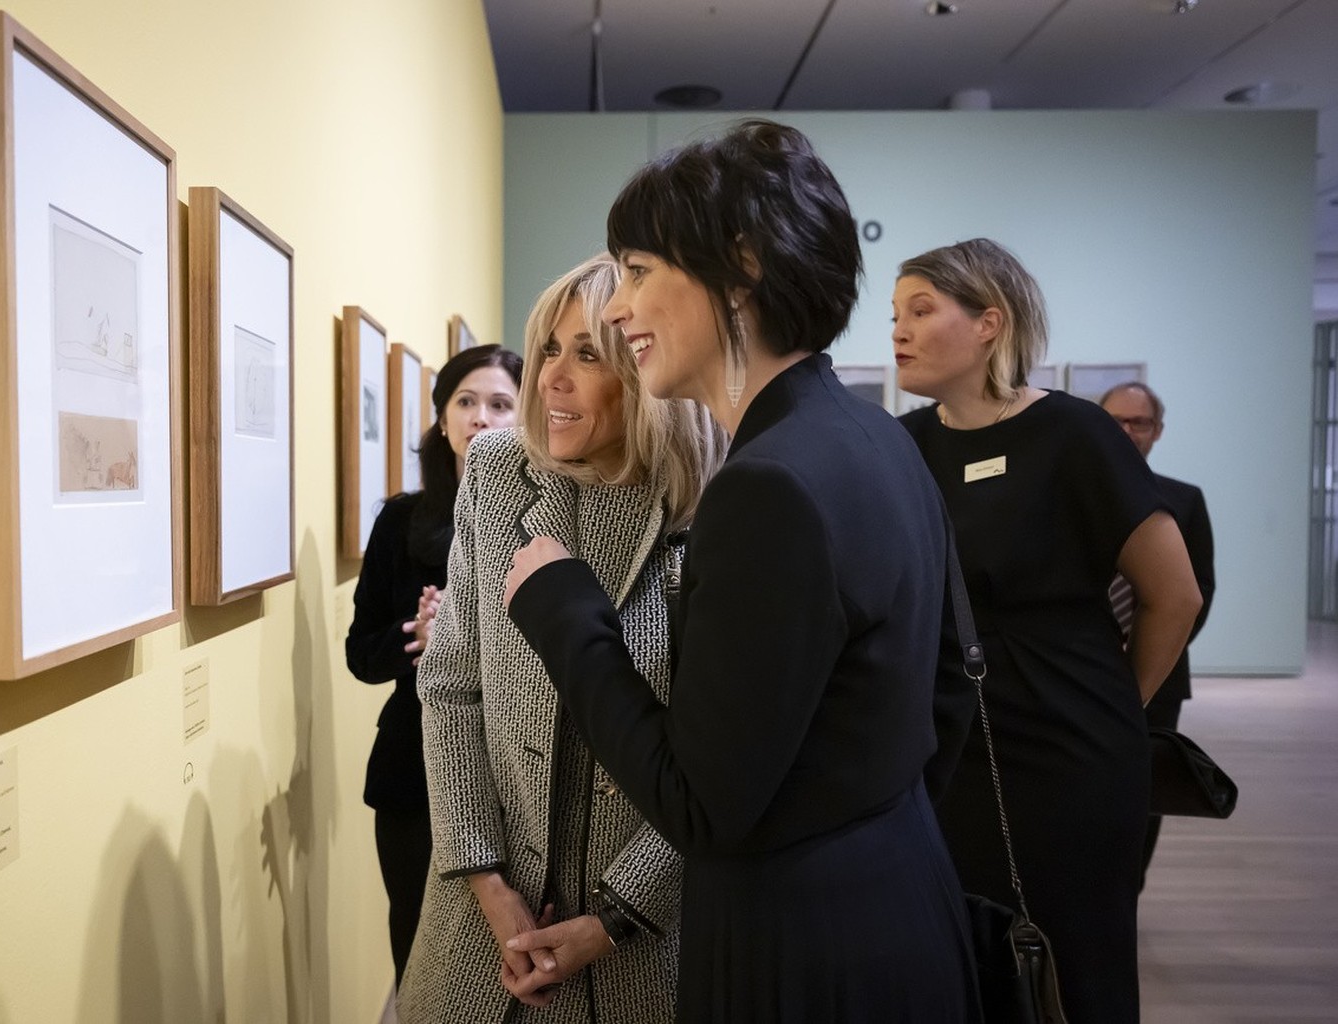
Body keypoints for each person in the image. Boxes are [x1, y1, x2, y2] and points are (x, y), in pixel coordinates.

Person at [502, 120, 980, 1022]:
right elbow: (948, 690)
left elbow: (702, 805)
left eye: (639, 271)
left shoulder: (769, 488)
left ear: (742, 267)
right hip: (900, 892)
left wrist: (567, 611)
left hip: (800, 944)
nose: (614, 308)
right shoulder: (876, 437)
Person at [397, 254, 723, 1023]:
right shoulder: (498, 470)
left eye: (588, 354)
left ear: (643, 372)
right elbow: (451, 688)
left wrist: (615, 919)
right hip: (487, 925)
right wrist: (487, 883)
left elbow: (726, 762)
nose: (552, 378)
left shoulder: (717, 508)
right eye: (548, 348)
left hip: (646, 942)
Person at [891, 238, 1204, 1024]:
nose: (898, 331)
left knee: (1077, 961)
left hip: (1072, 751)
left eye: (922, 311)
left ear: (989, 322)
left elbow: (1175, 594)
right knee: (964, 960)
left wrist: (1118, 711)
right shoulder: (907, 444)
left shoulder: (1073, 435)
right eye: (895, 315)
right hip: (951, 750)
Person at [345, 343, 523, 985]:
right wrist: (416, 634)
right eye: (466, 402)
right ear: (442, 418)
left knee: (509, 958)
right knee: (418, 958)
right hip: (413, 770)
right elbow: (361, 655)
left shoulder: (546, 517)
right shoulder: (399, 521)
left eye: (500, 404)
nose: (481, 418)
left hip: (514, 773)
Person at [1099, 380, 1216, 884]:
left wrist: (1150, 644)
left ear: (1157, 431)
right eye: (1116, 421)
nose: (1127, 431)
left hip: (1159, 672)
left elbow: (1198, 592)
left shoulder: (1183, 500)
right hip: (1084, 664)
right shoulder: (1071, 492)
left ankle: (1130, 888)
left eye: (1138, 422)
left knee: (1143, 789)